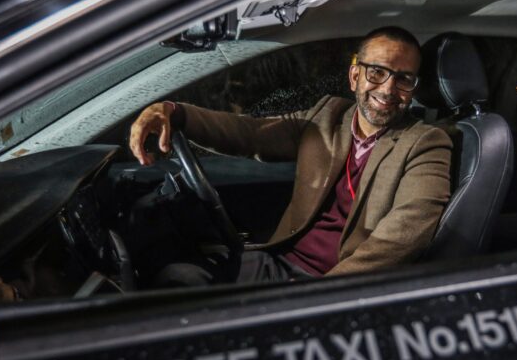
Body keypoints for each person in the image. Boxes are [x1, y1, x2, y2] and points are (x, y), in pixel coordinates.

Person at [129, 27, 452, 285]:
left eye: (404, 79)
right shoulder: (329, 115)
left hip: (331, 284)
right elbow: (251, 134)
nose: (388, 89)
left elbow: (402, 236)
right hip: (280, 263)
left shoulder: (425, 142)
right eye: (377, 72)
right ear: (355, 76)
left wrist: (324, 295)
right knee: (177, 279)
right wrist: (176, 113)